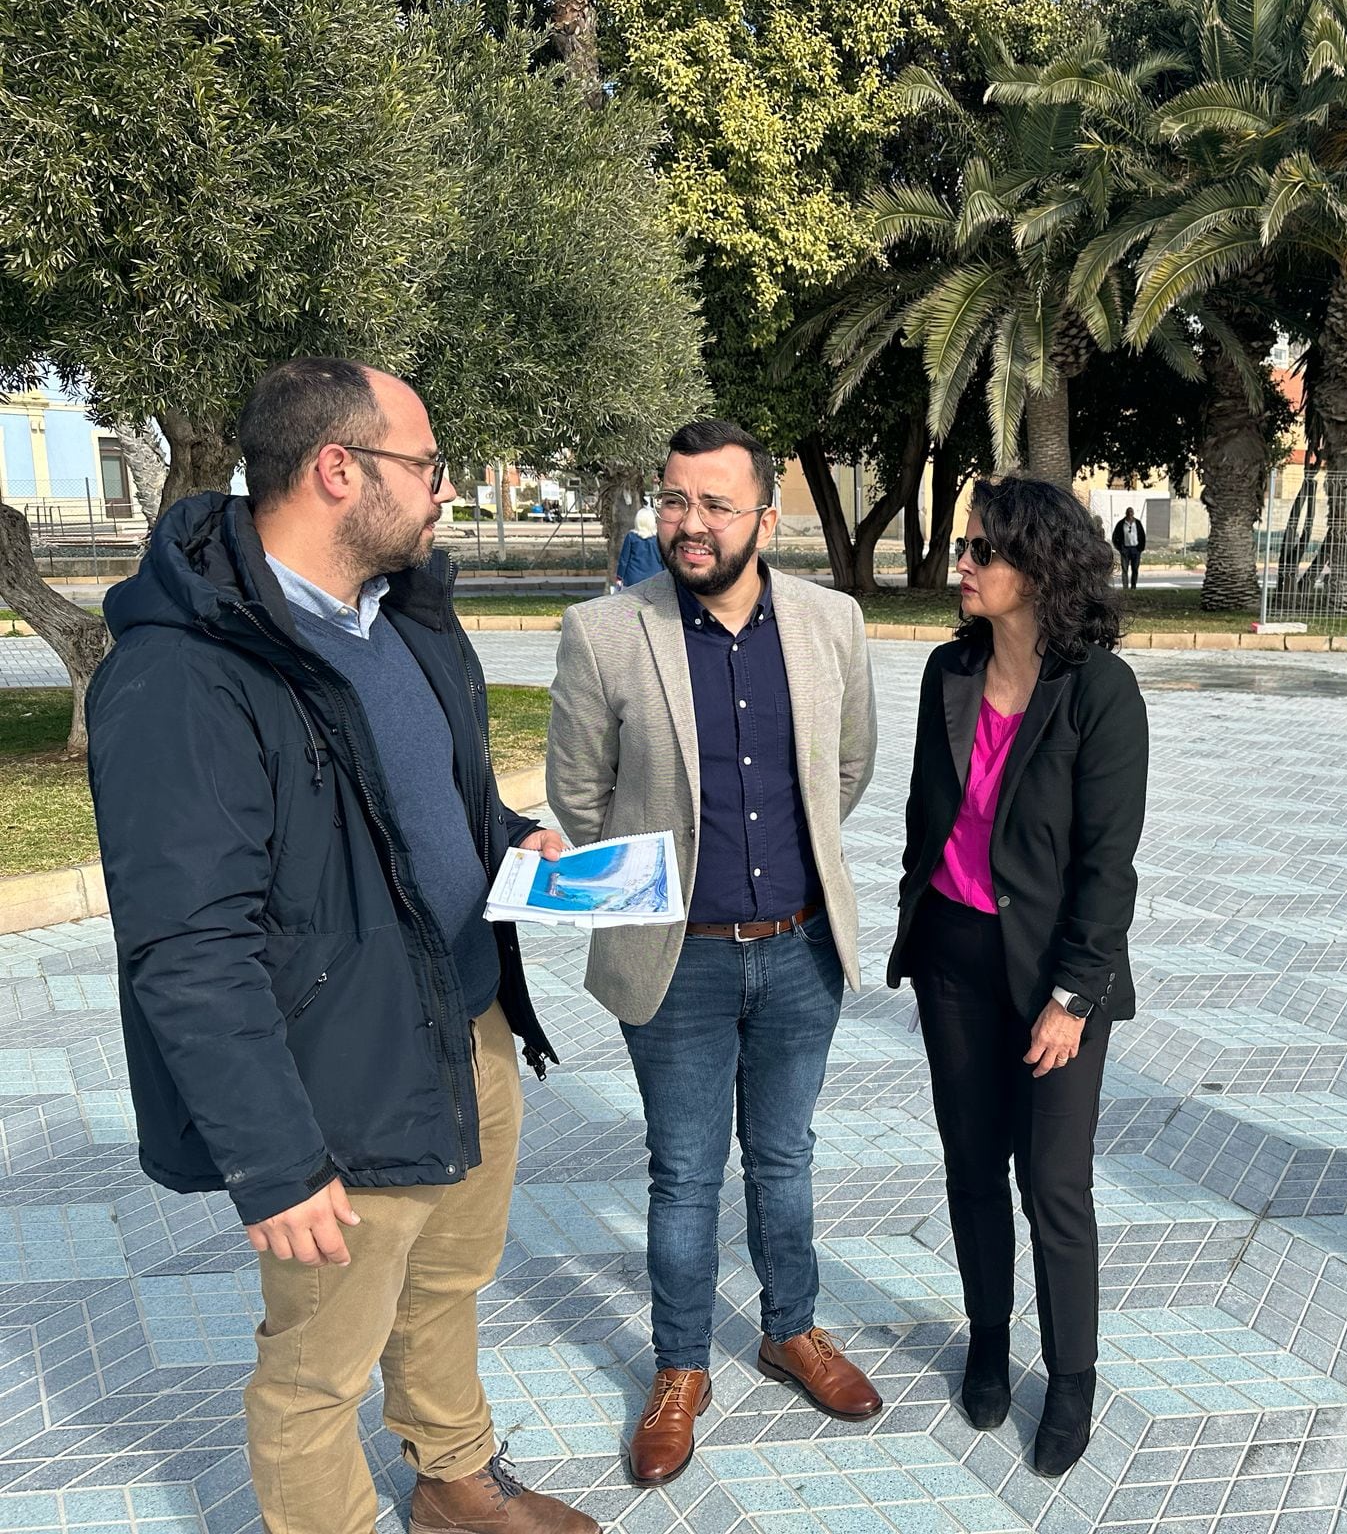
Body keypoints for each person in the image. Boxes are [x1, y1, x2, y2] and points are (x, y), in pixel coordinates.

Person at [85, 358, 591, 1534]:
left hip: (469, 1025)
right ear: (336, 469)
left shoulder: (402, 620)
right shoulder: (183, 673)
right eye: (426, 466)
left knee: (448, 1286)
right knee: (317, 1373)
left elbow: (430, 801)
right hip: (338, 1079)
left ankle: (455, 1478)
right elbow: (187, 944)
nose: (445, 493)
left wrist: (517, 840)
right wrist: (273, 1160)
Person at [546, 419, 880, 1487]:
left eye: (713, 505)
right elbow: (578, 798)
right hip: (674, 960)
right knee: (684, 1174)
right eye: (673, 501)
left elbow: (848, 768)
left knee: (784, 1158)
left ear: (762, 520)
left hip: (797, 953)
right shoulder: (605, 631)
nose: (688, 523)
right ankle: (679, 1368)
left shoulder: (831, 621)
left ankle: (792, 1330)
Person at [885, 478, 1149, 1476]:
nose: (961, 567)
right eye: (963, 549)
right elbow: (925, 815)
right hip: (953, 960)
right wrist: (920, 925)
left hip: (1053, 977)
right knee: (969, 1170)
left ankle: (1071, 1382)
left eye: (979, 552)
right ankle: (988, 1344)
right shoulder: (946, 673)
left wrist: (1073, 998)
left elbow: (1105, 865)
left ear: (1034, 568)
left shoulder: (1098, 691)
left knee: (1053, 1185)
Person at [615, 505, 664, 591]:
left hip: (633, 578)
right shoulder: (659, 537)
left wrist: (619, 576)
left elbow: (624, 560)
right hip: (655, 577)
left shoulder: (631, 536)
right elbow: (663, 559)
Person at [1114, 505, 1146, 589]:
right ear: (1126, 513)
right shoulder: (1121, 523)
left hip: (1136, 549)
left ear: (1133, 513)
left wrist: (1141, 548)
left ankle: (1133, 586)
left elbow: (1142, 536)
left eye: (1131, 512)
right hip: (1125, 549)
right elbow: (1115, 536)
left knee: (1135, 569)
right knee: (1124, 569)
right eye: (1128, 512)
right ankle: (1125, 587)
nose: (1130, 514)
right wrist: (1119, 548)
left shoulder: (1137, 523)